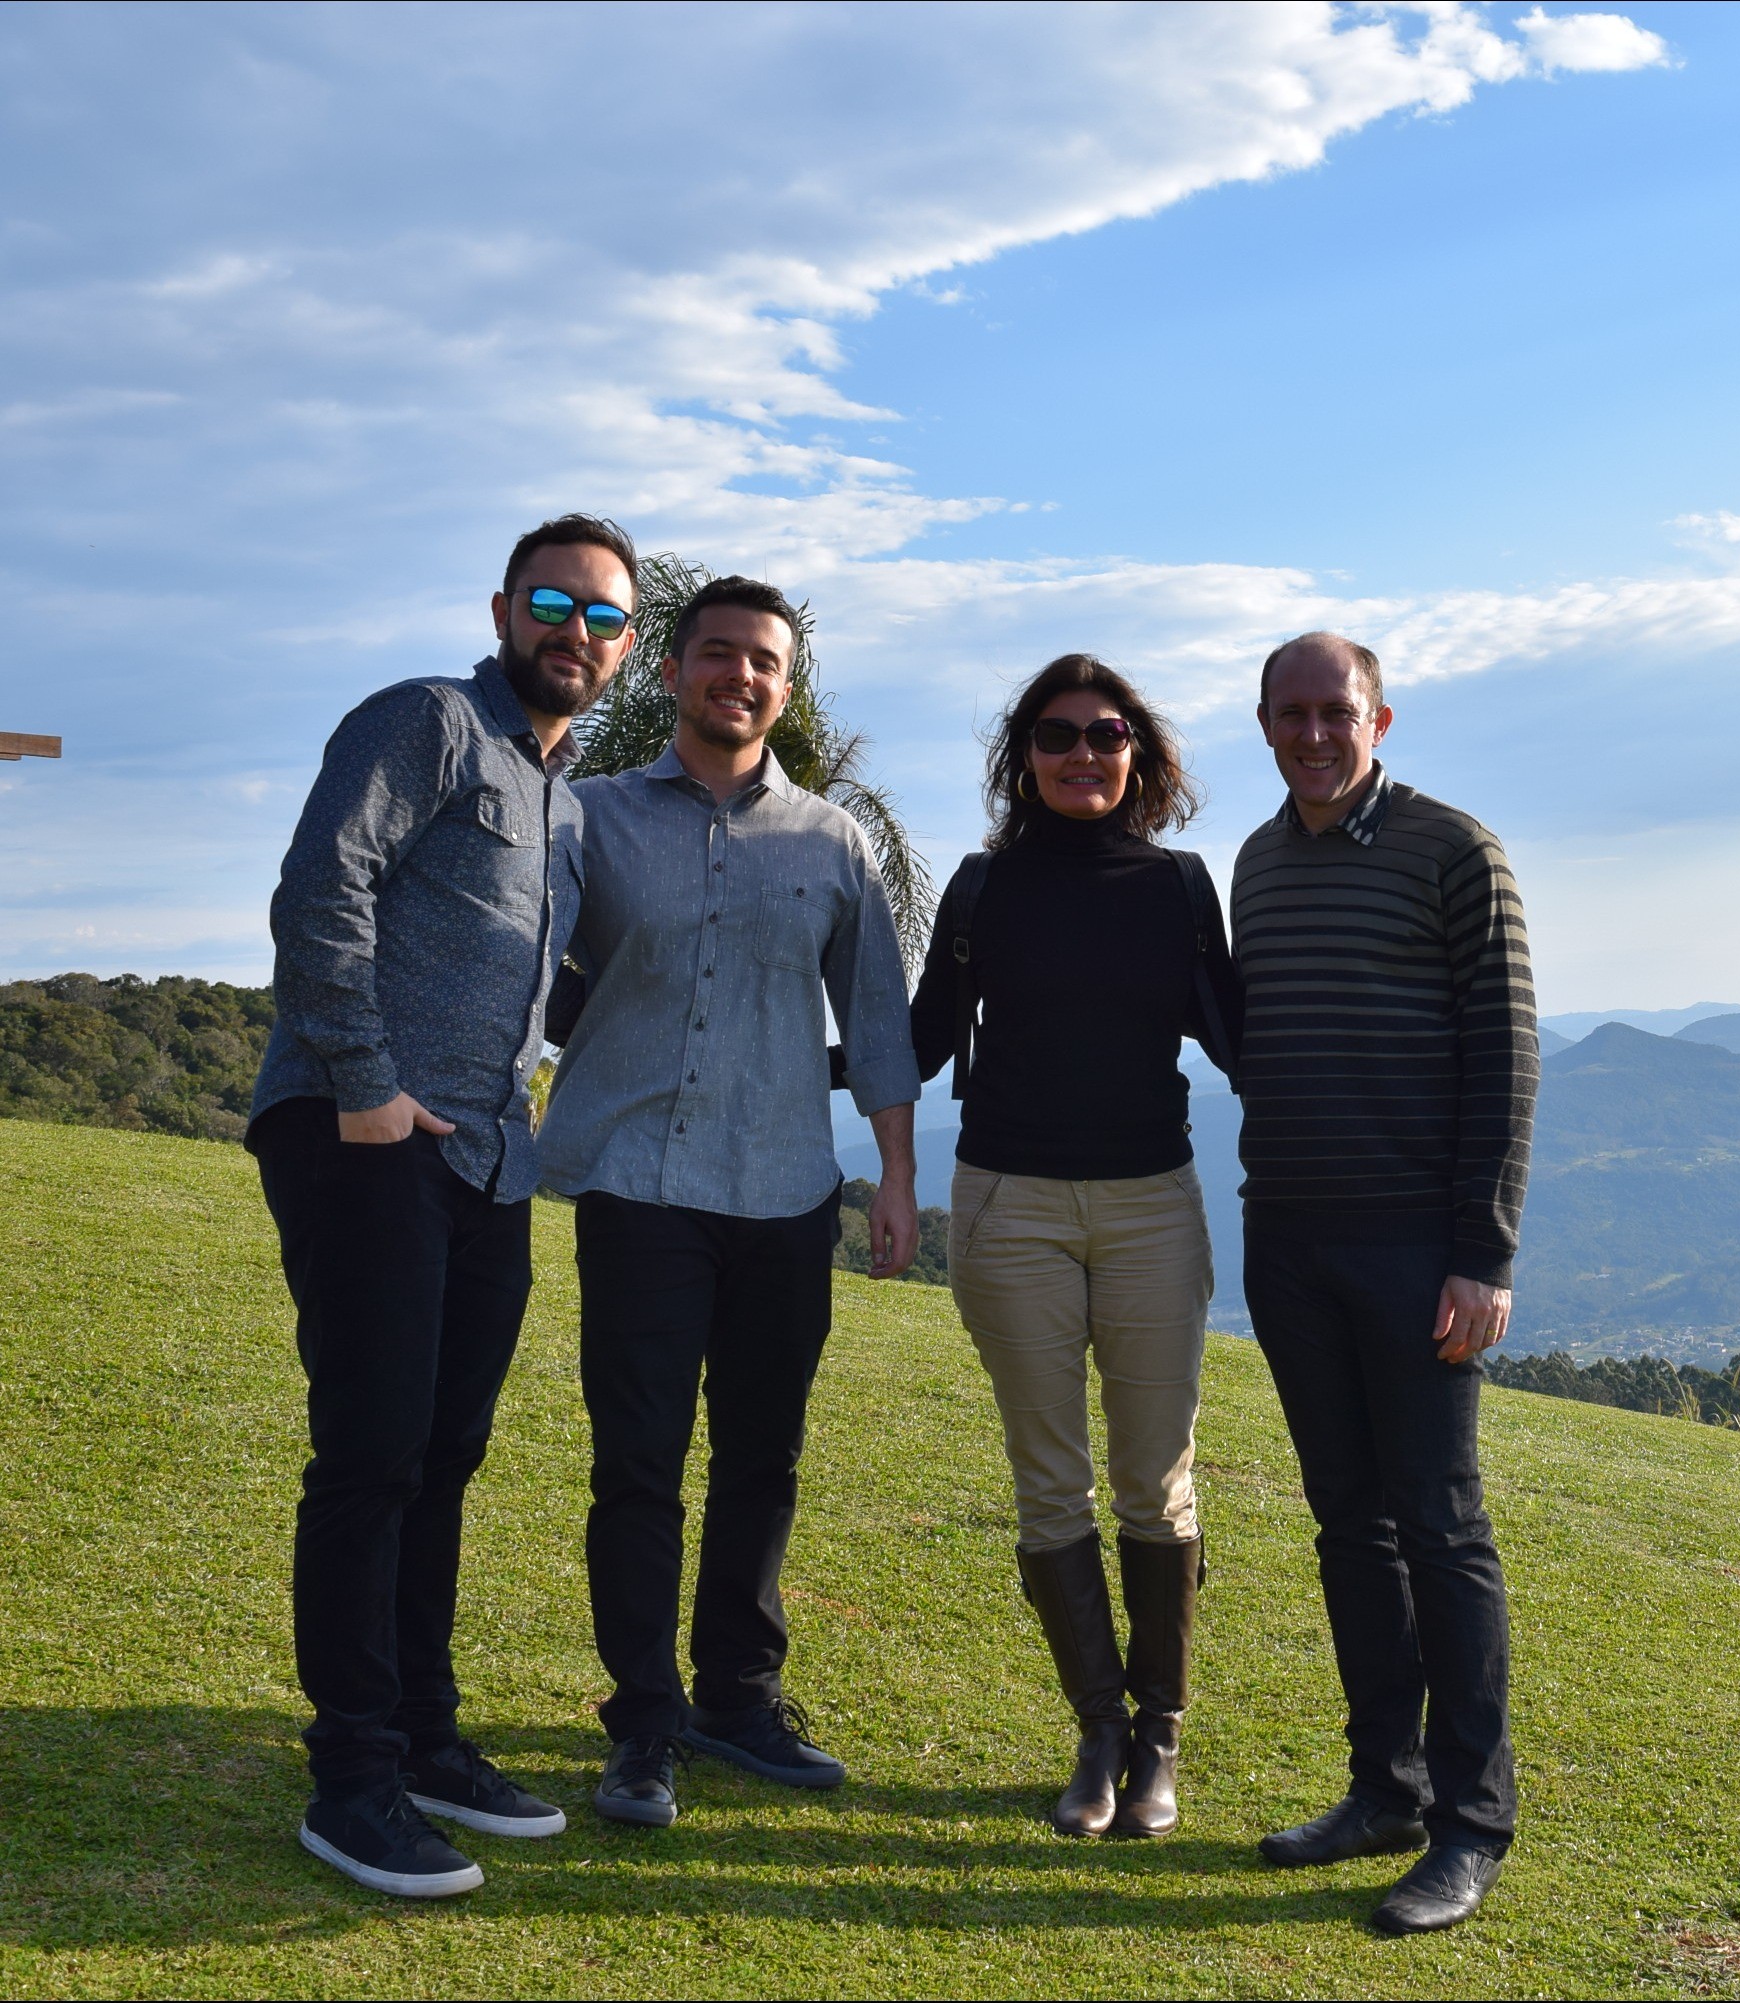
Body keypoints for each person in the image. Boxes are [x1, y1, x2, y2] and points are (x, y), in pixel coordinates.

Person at [247, 514, 640, 1898]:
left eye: (602, 616)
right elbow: (320, 886)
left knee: (442, 1452)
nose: (575, 631)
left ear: (625, 645)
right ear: (502, 606)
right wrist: (360, 1076)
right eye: (554, 600)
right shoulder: (423, 722)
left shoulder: (570, 806)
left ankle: (421, 1734)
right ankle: (351, 1774)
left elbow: (568, 991)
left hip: (487, 1159)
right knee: (370, 1454)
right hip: (363, 1131)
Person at [533, 575, 920, 1829]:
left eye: (762, 660)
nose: (737, 676)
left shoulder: (831, 840)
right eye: (716, 654)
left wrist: (896, 1183)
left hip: (784, 1190)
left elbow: (874, 1024)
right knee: (637, 1462)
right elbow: (525, 965)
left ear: (785, 687)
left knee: (764, 1456)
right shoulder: (588, 818)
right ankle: (642, 1722)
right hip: (639, 1184)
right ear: (674, 671)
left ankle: (736, 1700)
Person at [1232, 631, 1538, 1934]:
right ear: (1262, 722)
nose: (1312, 732)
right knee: (1346, 1521)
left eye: (1334, 710)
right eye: (1289, 712)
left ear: (1380, 717)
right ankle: (1384, 1786)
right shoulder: (1252, 862)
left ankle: (1470, 1821)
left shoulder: (1451, 848)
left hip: (1418, 1248)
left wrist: (1483, 1251)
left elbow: (1504, 1050)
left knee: (1439, 1523)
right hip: (1288, 1240)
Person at [909, 653, 1238, 1840]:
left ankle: (1159, 1738)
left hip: (1152, 1202)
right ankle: (1096, 1730)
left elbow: (1238, 1034)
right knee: (1050, 1478)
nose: (1082, 754)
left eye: (1106, 734)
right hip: (1010, 1207)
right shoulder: (984, 888)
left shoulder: (1180, 885)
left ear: (1138, 754)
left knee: (1156, 1475)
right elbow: (923, 1041)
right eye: (1057, 735)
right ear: (1023, 755)